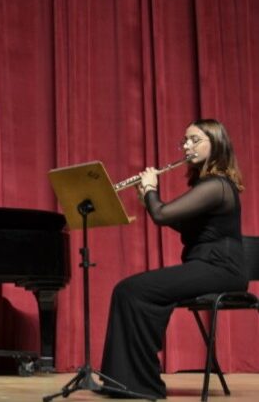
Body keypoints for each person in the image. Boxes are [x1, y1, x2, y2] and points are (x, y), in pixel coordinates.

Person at [99, 119, 247, 399]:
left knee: (131, 289)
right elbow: (182, 224)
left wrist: (152, 189)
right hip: (206, 265)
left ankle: (139, 384)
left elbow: (163, 215)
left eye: (195, 140)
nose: (187, 146)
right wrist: (148, 199)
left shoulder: (218, 185)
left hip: (222, 269)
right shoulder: (206, 185)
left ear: (216, 144)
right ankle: (123, 381)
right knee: (128, 290)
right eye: (185, 141)